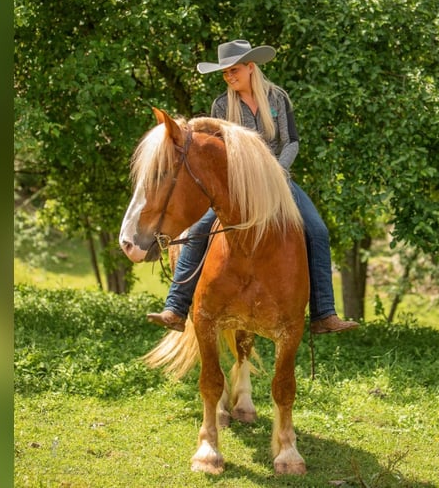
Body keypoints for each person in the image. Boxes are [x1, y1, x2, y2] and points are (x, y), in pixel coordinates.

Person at [147, 40, 359, 335]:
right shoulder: (222, 105)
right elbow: (219, 151)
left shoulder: (277, 99)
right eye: (224, 73)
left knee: (317, 230)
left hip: (279, 179)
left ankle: (324, 312)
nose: (229, 77)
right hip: (238, 186)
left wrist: (276, 171)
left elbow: (291, 142)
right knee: (197, 230)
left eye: (234, 70)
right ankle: (176, 307)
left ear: (250, 67)